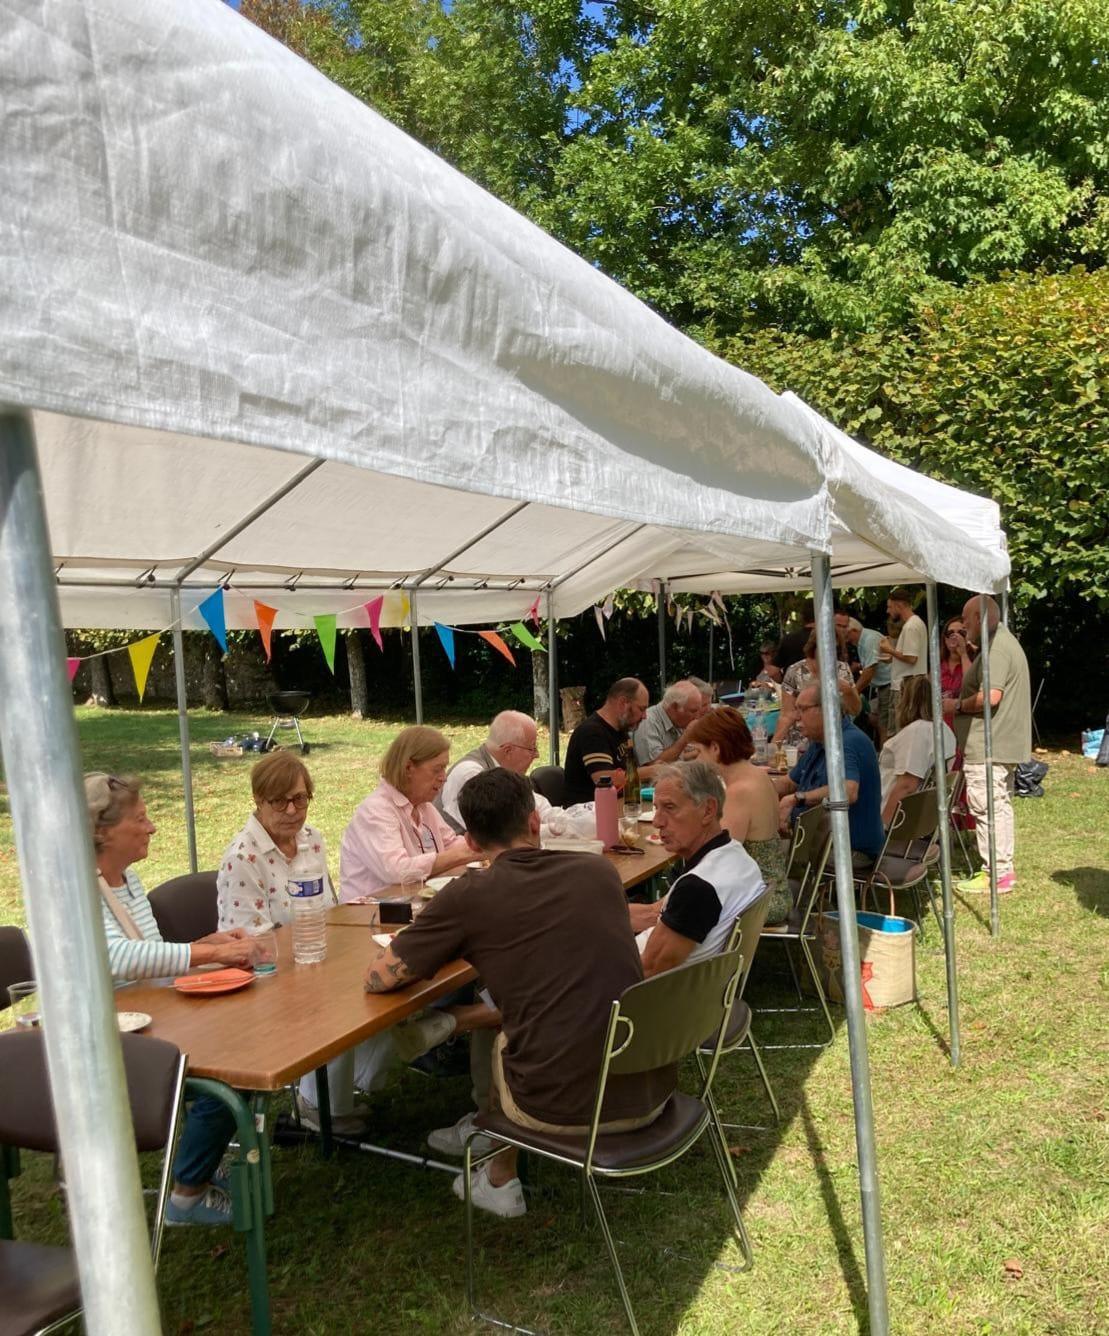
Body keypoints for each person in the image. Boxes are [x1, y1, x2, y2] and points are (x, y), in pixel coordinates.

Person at [362, 768, 673, 1218]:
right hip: (648, 1084)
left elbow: (381, 978)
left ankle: (498, 1177)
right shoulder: (598, 871)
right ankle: (485, 1132)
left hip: (563, 1104)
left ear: (469, 842)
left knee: (516, 1026)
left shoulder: (469, 895)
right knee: (539, 1001)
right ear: (533, 823)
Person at [85, 772, 258, 1227]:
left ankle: (198, 1157)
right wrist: (212, 952)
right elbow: (122, 958)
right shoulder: (81, 888)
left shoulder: (126, 880)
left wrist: (208, 944)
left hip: (148, 1017)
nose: (152, 827)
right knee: (232, 1067)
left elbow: (150, 959)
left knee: (245, 1039)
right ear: (102, 832)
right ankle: (185, 1196)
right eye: (140, 819)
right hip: (107, 1038)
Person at [218, 751, 418, 1136]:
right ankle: (317, 1106)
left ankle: (346, 1090)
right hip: (265, 974)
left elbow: (328, 908)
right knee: (344, 998)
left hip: (317, 954)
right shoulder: (243, 857)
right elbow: (250, 946)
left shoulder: (311, 839)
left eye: (301, 799)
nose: (292, 810)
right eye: (279, 801)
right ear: (258, 800)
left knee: (389, 983)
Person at [631, 761, 767, 974]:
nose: (657, 822)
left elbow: (646, 970)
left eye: (669, 807)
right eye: (657, 808)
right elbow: (654, 912)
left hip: (652, 998)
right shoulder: (737, 857)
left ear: (708, 810)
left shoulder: (698, 888)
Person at [949, 595, 1031, 894]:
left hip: (989, 746)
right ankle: (1003, 870)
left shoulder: (997, 648)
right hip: (997, 744)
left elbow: (989, 697)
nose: (962, 624)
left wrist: (955, 707)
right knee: (999, 805)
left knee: (987, 808)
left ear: (981, 617)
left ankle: (995, 873)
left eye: (966, 618)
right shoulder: (1000, 643)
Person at [681, 708, 792, 925]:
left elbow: (717, 858)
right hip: (773, 889)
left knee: (687, 905)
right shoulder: (758, 777)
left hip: (760, 900)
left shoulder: (740, 791)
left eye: (699, 751)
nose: (697, 759)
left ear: (715, 748)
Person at [340, 726, 473, 902]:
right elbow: (398, 871)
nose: (444, 777)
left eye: (444, 768)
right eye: (437, 769)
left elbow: (451, 843)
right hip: (368, 918)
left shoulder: (425, 808)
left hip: (410, 908)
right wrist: (467, 853)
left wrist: (487, 844)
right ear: (408, 768)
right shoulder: (376, 810)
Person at [777, 685, 885, 865]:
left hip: (848, 851)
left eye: (802, 709)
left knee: (758, 855)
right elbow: (788, 783)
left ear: (827, 709)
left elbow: (849, 791)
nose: (796, 716)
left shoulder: (847, 742)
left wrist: (796, 799)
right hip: (822, 842)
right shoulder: (821, 741)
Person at [435, 710, 551, 832]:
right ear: (508, 751)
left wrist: (564, 823)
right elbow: (497, 834)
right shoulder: (470, 775)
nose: (537, 755)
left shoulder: (506, 774)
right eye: (532, 748)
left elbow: (537, 806)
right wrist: (552, 830)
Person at [878, 676, 955, 825]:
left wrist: (883, 826)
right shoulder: (943, 729)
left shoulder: (917, 732)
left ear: (906, 700)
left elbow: (907, 785)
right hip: (922, 815)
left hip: (896, 815)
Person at [562, 677, 649, 806]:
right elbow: (605, 780)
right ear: (623, 703)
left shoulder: (621, 731)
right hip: (588, 816)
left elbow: (628, 772)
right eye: (641, 709)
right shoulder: (592, 732)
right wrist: (654, 771)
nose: (645, 716)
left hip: (618, 809)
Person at [773, 633, 861, 747]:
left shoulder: (842, 669)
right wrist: (774, 744)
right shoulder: (795, 671)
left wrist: (846, 689)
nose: (829, 652)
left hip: (837, 739)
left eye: (834, 648)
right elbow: (787, 714)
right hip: (802, 739)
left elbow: (855, 710)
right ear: (814, 647)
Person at [880, 588, 928, 723]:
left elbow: (911, 658)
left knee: (899, 729)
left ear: (899, 605)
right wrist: (892, 656)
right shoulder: (913, 624)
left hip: (904, 687)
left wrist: (889, 650)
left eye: (890, 607)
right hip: (908, 685)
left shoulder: (911, 626)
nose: (888, 611)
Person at [633, 680, 703, 768]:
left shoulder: (677, 720)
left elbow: (680, 756)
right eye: (693, 711)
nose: (697, 717)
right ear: (674, 707)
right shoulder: (648, 722)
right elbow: (654, 767)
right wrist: (685, 737)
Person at [847, 616, 893, 744]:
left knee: (885, 724)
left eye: (847, 635)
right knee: (877, 719)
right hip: (882, 686)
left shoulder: (869, 639)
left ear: (854, 631)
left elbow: (870, 670)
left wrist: (854, 692)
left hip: (888, 684)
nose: (847, 640)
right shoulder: (863, 640)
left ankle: (885, 758)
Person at [772, 599, 814, 673]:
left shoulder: (788, 639)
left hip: (794, 682)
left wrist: (783, 681)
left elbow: (773, 671)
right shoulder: (829, 640)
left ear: (802, 616)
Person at [939, 615, 974, 701]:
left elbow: (972, 686)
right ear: (945, 639)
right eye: (950, 633)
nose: (955, 636)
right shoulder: (937, 664)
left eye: (961, 633)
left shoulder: (975, 660)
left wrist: (963, 654)